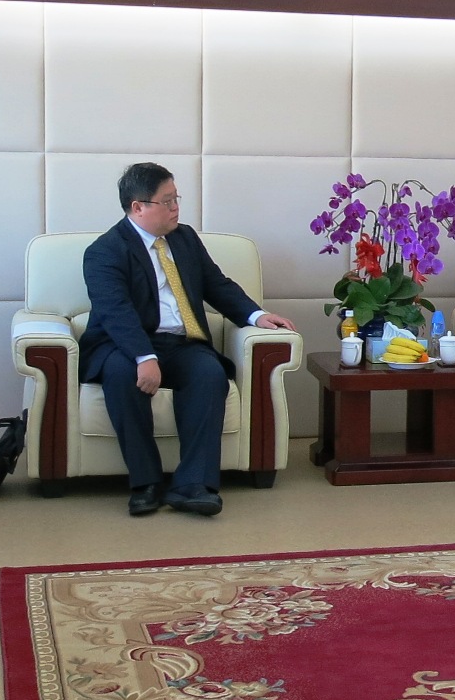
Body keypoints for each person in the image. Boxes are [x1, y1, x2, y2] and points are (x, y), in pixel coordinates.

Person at [80, 163, 297, 517]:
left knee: (209, 375)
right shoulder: (105, 251)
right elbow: (116, 311)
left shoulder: (185, 238)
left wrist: (256, 315)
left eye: (176, 198)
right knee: (122, 376)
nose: (176, 208)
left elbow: (216, 284)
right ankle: (145, 483)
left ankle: (194, 485)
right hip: (123, 344)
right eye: (166, 201)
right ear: (138, 207)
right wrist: (143, 357)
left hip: (181, 342)